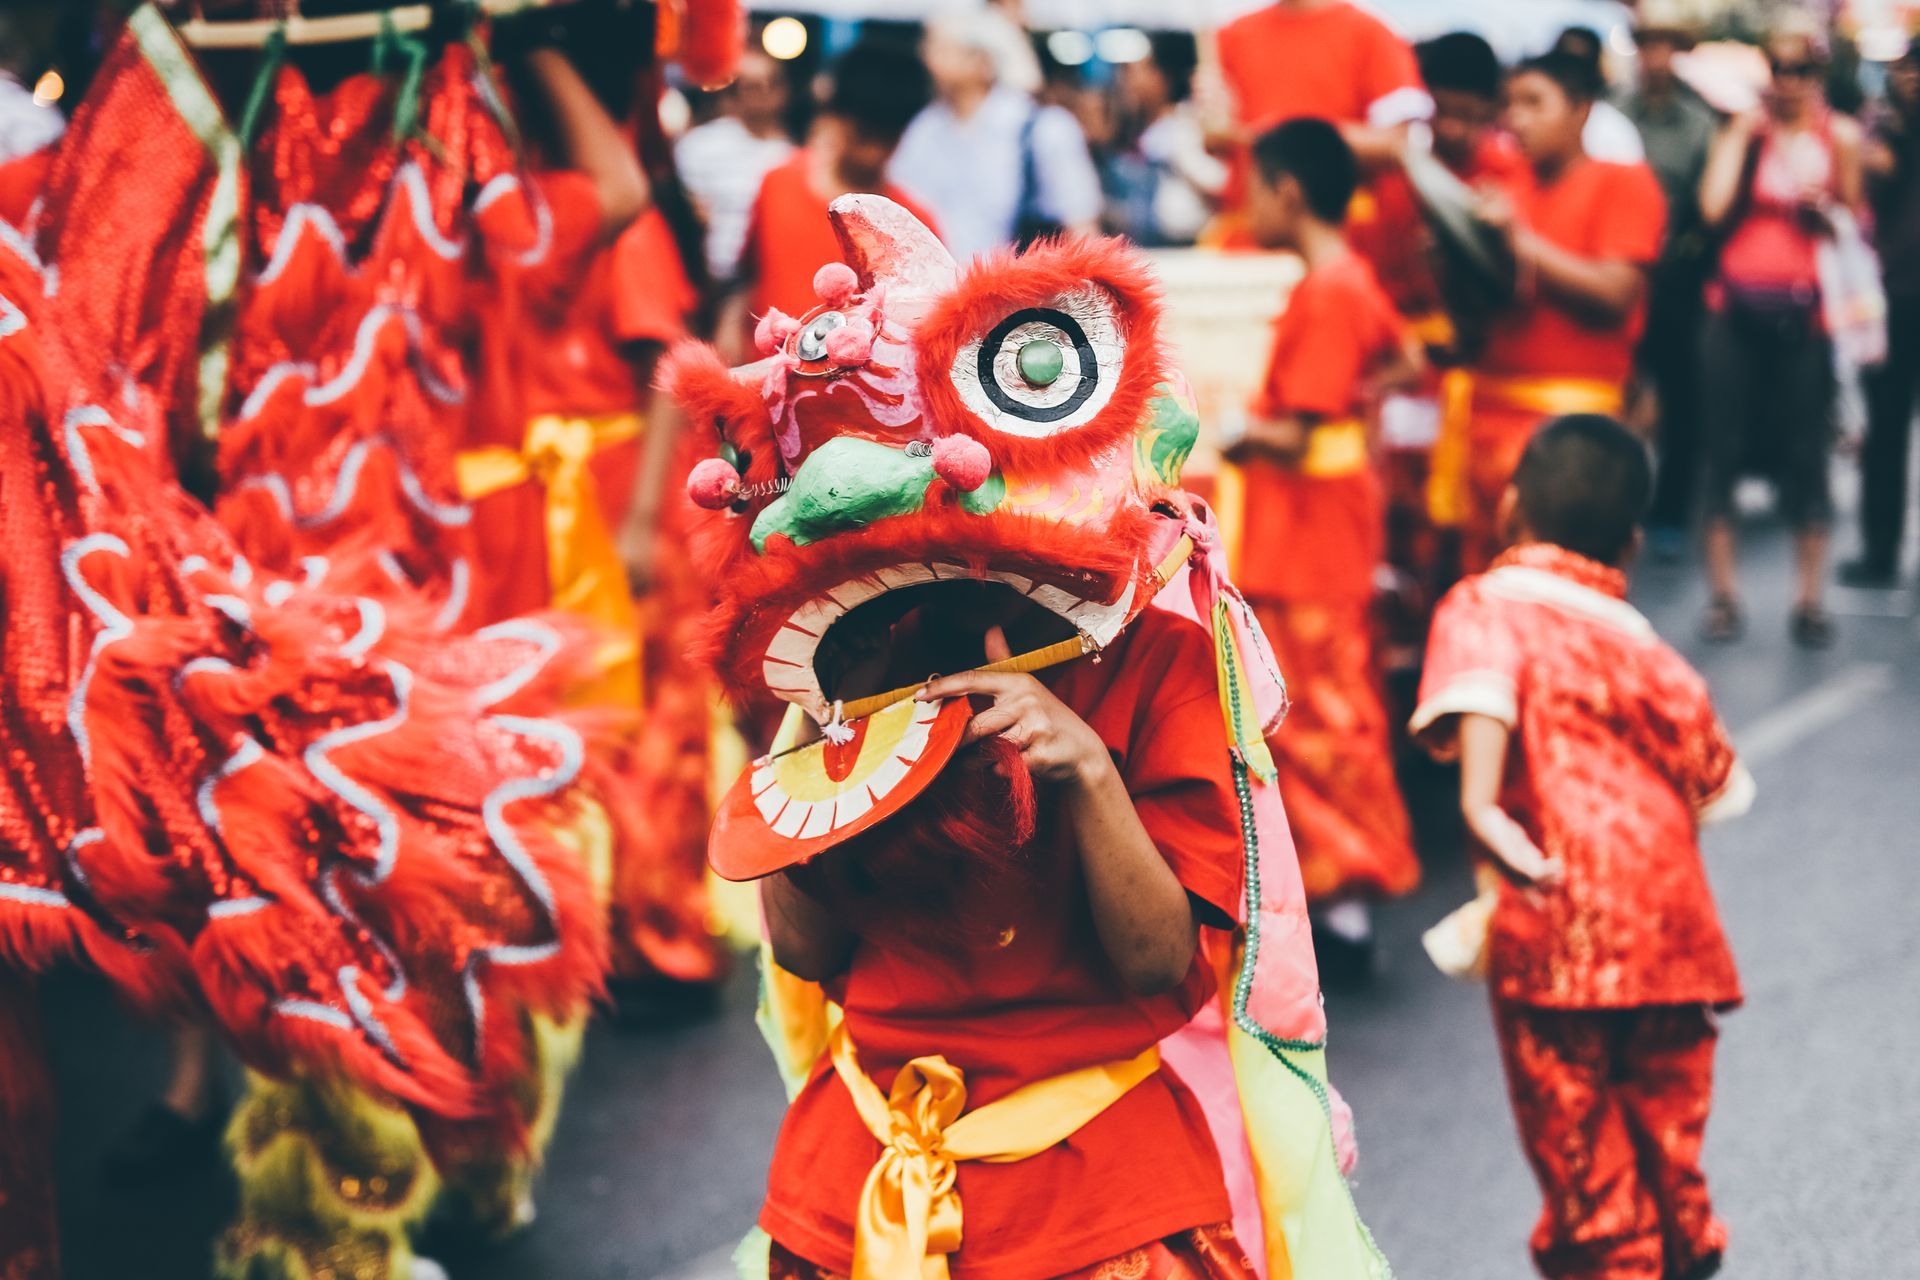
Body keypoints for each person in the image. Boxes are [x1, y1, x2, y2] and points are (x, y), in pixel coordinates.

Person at [1412, 414, 1752, 1280]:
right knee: (1666, 1142)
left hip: (1563, 932)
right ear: (1633, 540)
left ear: (1513, 502)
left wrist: (1494, 823)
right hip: (1677, 937)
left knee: (1583, 1164)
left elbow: (1478, 724)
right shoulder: (1649, 651)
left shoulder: (1483, 605)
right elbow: (1718, 787)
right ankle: (1683, 1246)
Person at [1226, 118, 1422, 970]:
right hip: (1325, 523)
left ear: (1289, 192)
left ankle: (1342, 902)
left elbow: (1297, 436)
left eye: (1255, 186)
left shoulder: (1327, 291)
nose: (1246, 203)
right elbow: (1405, 359)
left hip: (1306, 530)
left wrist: (1235, 426)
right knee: (1329, 707)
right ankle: (1337, 899)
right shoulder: (1350, 278)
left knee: (1316, 718)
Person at [1457, 51, 1666, 573]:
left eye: (1534, 102)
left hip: (1569, 432)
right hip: (1486, 421)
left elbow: (1616, 295)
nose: (1516, 118)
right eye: (1508, 104)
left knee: (1560, 577)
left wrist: (1517, 242)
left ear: (1582, 110)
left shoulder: (1623, 182)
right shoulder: (1505, 188)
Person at [1696, 19, 1863, 646]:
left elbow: (1853, 218)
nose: (1789, 81)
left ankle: (1809, 599)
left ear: (1819, 74)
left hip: (1806, 314)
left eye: (1801, 69)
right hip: (1734, 308)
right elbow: (1712, 209)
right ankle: (1723, 595)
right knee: (1723, 448)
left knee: (1806, 455)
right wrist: (1742, 135)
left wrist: (1827, 211)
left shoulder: (1838, 136)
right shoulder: (1748, 130)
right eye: (1780, 67)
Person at [729, 41, 937, 340]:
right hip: (765, 375)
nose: (874, 154)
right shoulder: (776, 184)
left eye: (889, 139)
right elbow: (747, 278)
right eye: (864, 135)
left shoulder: (915, 227)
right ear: (834, 117)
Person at [888, 8, 1101, 261]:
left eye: (942, 49)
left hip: (1019, 295)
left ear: (982, 61)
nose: (928, 59)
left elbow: (1082, 228)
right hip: (940, 293)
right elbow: (899, 209)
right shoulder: (925, 129)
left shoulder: (1043, 128)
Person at [1622, 12, 1720, 556]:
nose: (1655, 58)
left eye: (1664, 47)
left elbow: (1709, 207)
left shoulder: (1696, 121)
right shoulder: (1614, 111)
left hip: (1673, 274)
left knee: (1682, 393)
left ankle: (1672, 509)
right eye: (1647, 46)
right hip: (1620, 265)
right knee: (1621, 387)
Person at [1848, 37, 1920, 588]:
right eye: (1908, 65)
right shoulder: (1885, 127)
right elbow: (1870, 181)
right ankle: (1878, 551)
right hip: (1892, 298)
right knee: (1885, 432)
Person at [674, 45, 794, 284]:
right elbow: (684, 214)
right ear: (736, 92)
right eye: (752, 86)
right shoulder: (701, 145)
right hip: (704, 277)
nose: (764, 93)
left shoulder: (792, 155)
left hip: (763, 279)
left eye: (771, 84)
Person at [1102, 30, 1227, 246]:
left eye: (1140, 70)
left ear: (1164, 77)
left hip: (1186, 242)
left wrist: (1180, 151)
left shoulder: (1186, 124)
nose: (1129, 80)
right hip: (1145, 243)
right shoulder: (1138, 128)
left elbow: (1217, 181)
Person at [1551, 25, 1648, 165]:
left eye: (1580, 66)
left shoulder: (1613, 129)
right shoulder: (1537, 125)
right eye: (1564, 63)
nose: (1572, 72)